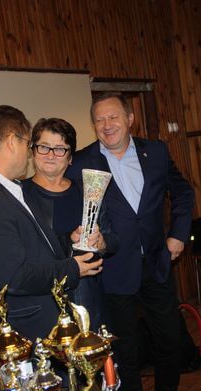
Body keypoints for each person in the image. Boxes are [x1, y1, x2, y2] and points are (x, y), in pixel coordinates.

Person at [66, 92, 201, 391]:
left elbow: (183, 193)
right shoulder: (82, 161)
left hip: (156, 264)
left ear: (130, 119)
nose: (107, 125)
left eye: (113, 117)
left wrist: (178, 234)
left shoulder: (156, 152)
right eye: (99, 120)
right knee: (125, 351)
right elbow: (64, 200)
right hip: (113, 271)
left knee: (169, 341)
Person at [0, 105, 103, 342]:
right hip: (18, 333)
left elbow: (28, 246)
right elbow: (16, 277)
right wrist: (73, 269)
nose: (29, 152)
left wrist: (67, 240)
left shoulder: (3, 188)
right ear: (11, 141)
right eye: (28, 143)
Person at [21, 117, 119, 329]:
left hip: (87, 299)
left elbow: (113, 239)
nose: (50, 155)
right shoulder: (19, 195)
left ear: (70, 157)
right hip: (41, 302)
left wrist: (102, 242)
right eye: (44, 147)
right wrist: (68, 240)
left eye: (59, 149)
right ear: (33, 151)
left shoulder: (88, 191)